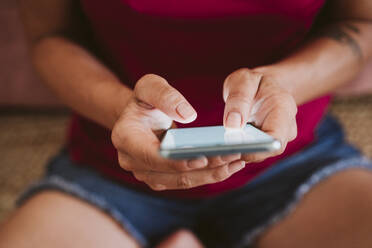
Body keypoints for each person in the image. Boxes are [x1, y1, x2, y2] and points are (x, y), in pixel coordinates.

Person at [1, 0, 372, 247]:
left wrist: (282, 85)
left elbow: (360, 23)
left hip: (298, 163)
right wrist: (120, 108)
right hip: (109, 171)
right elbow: (52, 37)